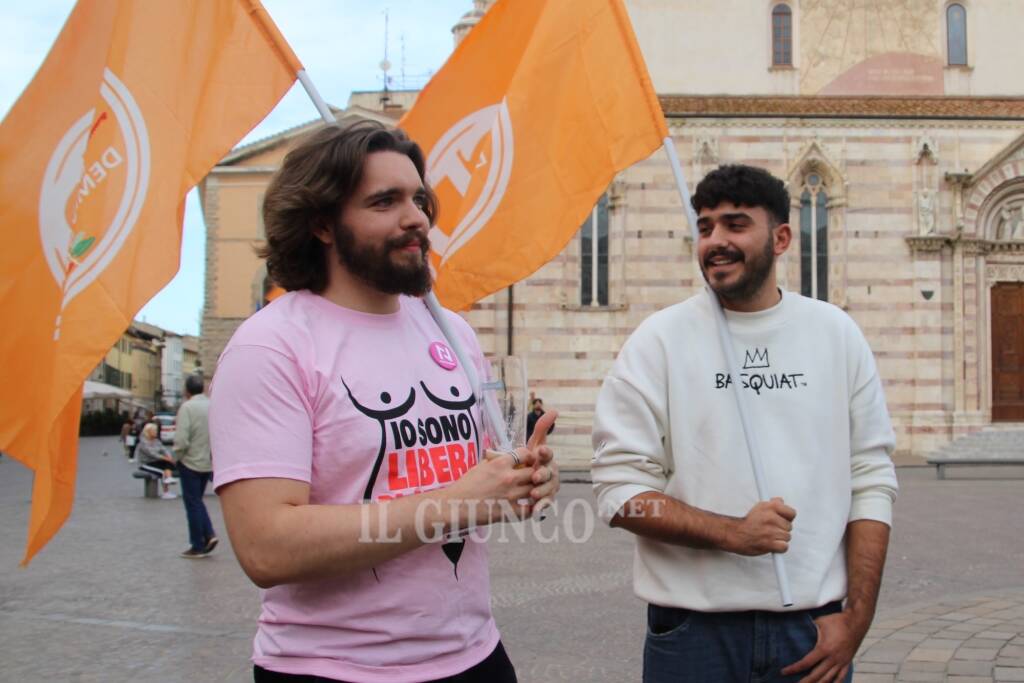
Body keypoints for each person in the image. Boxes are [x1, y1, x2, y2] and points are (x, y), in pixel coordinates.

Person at [208, 121, 559, 683]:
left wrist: (520, 477)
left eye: (418, 198)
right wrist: (453, 504)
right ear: (322, 223)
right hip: (335, 669)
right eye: (384, 201)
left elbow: (473, 479)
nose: (417, 216)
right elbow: (265, 548)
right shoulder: (270, 346)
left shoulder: (451, 331)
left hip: (475, 656)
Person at [591, 164, 898, 683]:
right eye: (705, 227)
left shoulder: (835, 334)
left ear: (781, 238)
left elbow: (871, 478)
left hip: (812, 632)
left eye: (735, 225)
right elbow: (618, 493)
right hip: (693, 638)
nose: (715, 241)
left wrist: (857, 619)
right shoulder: (658, 341)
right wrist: (732, 533)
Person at [173, 374, 218, 559]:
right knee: (197, 501)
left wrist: (177, 456)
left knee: (192, 503)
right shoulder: (211, 406)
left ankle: (197, 544)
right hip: (207, 462)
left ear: (187, 390)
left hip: (190, 462)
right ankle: (209, 534)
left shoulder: (187, 407)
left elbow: (182, 438)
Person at [136, 423, 178, 500]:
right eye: (154, 430)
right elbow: (152, 454)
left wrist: (169, 456)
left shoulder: (157, 441)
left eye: (156, 430)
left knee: (168, 463)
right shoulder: (143, 442)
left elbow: (164, 449)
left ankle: (169, 478)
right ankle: (166, 492)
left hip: (156, 461)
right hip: (145, 464)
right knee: (162, 471)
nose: (156, 432)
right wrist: (165, 458)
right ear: (148, 431)